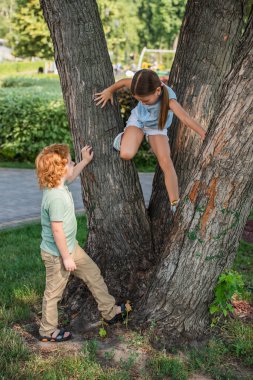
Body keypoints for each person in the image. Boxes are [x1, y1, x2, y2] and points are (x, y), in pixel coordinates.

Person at [35, 143, 131, 342]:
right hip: (58, 254)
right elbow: (57, 230)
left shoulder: (58, 185)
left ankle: (109, 311)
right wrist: (67, 257)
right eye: (70, 161)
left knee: (93, 273)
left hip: (70, 248)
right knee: (53, 293)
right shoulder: (56, 198)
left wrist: (85, 161)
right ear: (60, 169)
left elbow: (71, 175)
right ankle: (47, 330)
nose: (73, 163)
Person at [94, 69, 206, 213]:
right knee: (126, 154)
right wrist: (108, 91)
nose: (142, 102)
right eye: (139, 99)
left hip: (157, 127)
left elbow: (185, 118)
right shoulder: (138, 85)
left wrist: (203, 134)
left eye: (145, 100)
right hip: (139, 120)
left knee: (165, 161)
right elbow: (122, 82)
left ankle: (175, 202)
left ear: (158, 90)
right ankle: (125, 137)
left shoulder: (169, 99)